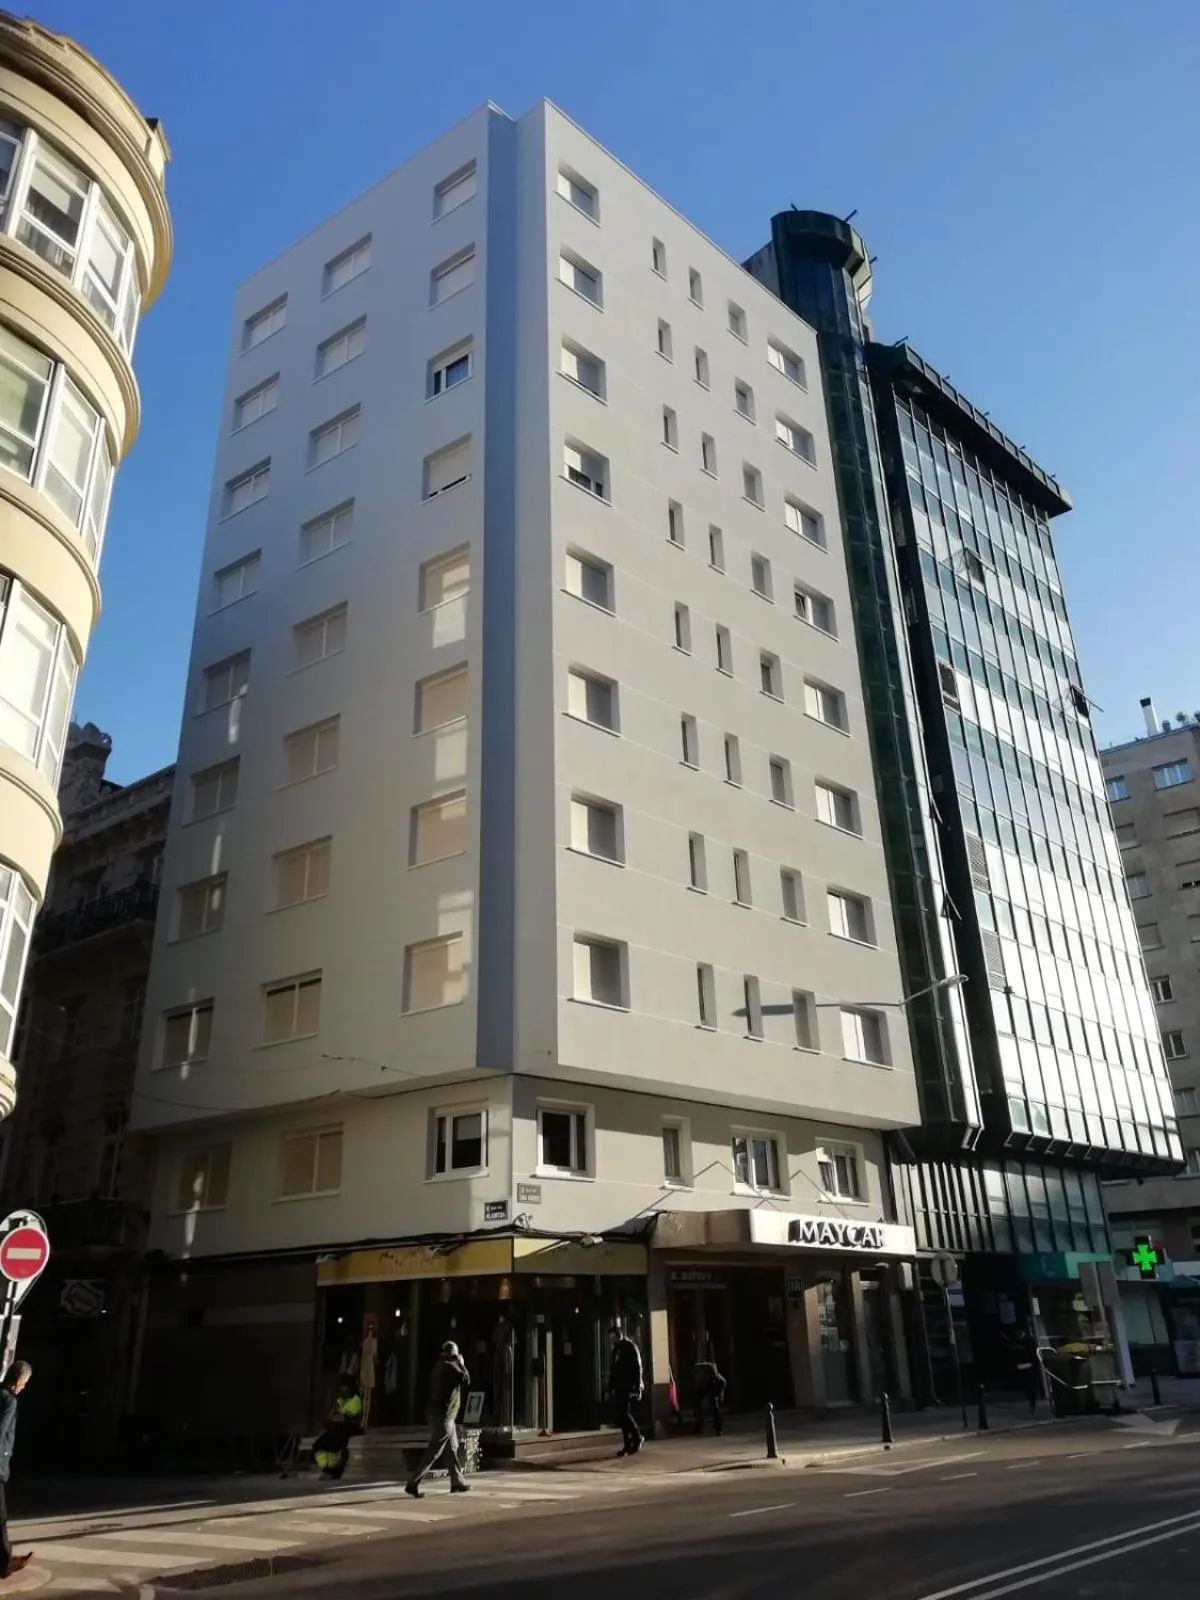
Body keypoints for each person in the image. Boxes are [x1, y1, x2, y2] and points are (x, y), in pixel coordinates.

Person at [405, 1341, 471, 1498]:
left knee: (452, 1449)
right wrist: (462, 1364)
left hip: (443, 1416)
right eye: (456, 1354)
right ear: (453, 1354)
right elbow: (466, 1379)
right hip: (444, 1416)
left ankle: (457, 1482)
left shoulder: (439, 1365)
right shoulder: (450, 1366)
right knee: (434, 1451)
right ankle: (413, 1483)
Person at [0, 1362, 33, 1581]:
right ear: (19, 1381)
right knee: (0, 1518)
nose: (24, 1387)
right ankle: (4, 1563)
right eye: (25, 1383)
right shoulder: (9, 1402)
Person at [312, 1377, 363, 1479]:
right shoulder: (340, 1400)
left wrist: (336, 1416)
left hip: (349, 1429)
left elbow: (348, 1418)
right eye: (341, 1387)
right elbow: (330, 1417)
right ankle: (326, 1468)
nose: (343, 1390)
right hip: (336, 1429)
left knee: (333, 1446)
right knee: (318, 1444)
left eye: (345, 1387)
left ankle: (333, 1471)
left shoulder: (356, 1400)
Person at [607, 1324, 644, 1456]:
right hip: (618, 1387)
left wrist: (638, 1386)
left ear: (619, 1335)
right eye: (610, 1338)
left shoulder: (629, 1346)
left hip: (628, 1386)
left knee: (624, 1413)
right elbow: (613, 1369)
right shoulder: (615, 1349)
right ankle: (627, 1443)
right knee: (621, 1416)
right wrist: (610, 1386)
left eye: (613, 1338)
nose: (612, 1341)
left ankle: (637, 1436)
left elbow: (638, 1367)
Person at [693, 1352, 726, 1436]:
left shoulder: (718, 1379)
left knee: (716, 1408)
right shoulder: (706, 1378)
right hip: (708, 1386)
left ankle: (718, 1429)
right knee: (698, 1404)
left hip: (715, 1390)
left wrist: (718, 1395)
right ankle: (699, 1426)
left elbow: (723, 1383)